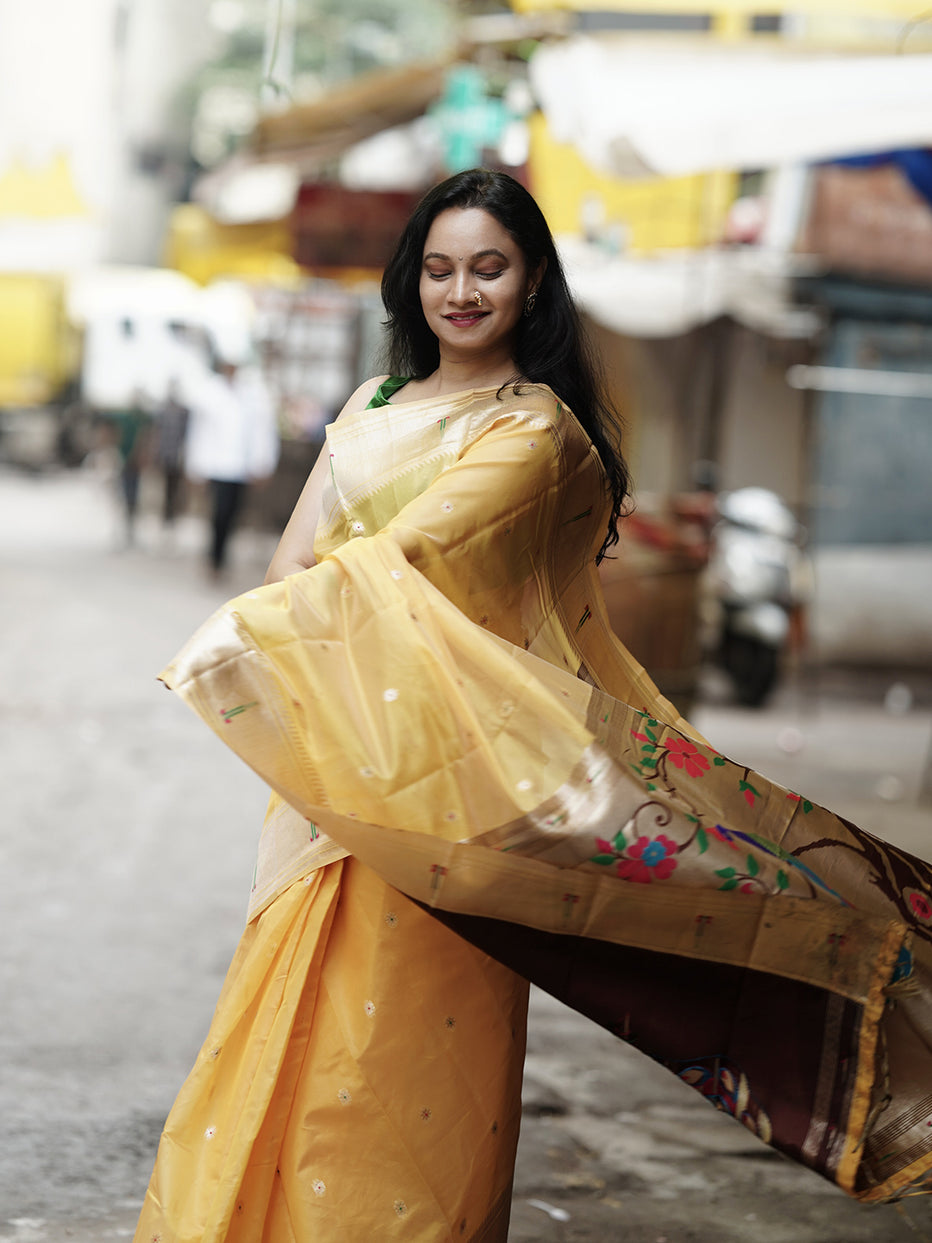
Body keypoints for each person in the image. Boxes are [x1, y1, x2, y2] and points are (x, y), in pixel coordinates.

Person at [135, 170, 932, 1242]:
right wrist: (278, 631)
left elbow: (399, 561)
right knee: (282, 1014)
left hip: (454, 785)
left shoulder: (531, 433)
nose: (460, 291)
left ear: (532, 281)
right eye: (440, 268)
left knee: (403, 1059)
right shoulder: (369, 409)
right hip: (336, 771)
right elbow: (288, 574)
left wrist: (270, 630)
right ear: (411, 279)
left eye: (488, 268)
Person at [184, 356, 280, 576]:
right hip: (216, 466)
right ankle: (215, 557)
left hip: (240, 468)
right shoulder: (209, 392)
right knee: (219, 512)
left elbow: (262, 431)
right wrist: (196, 466)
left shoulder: (252, 393)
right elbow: (199, 433)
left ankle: (220, 555)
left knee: (232, 514)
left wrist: (263, 464)